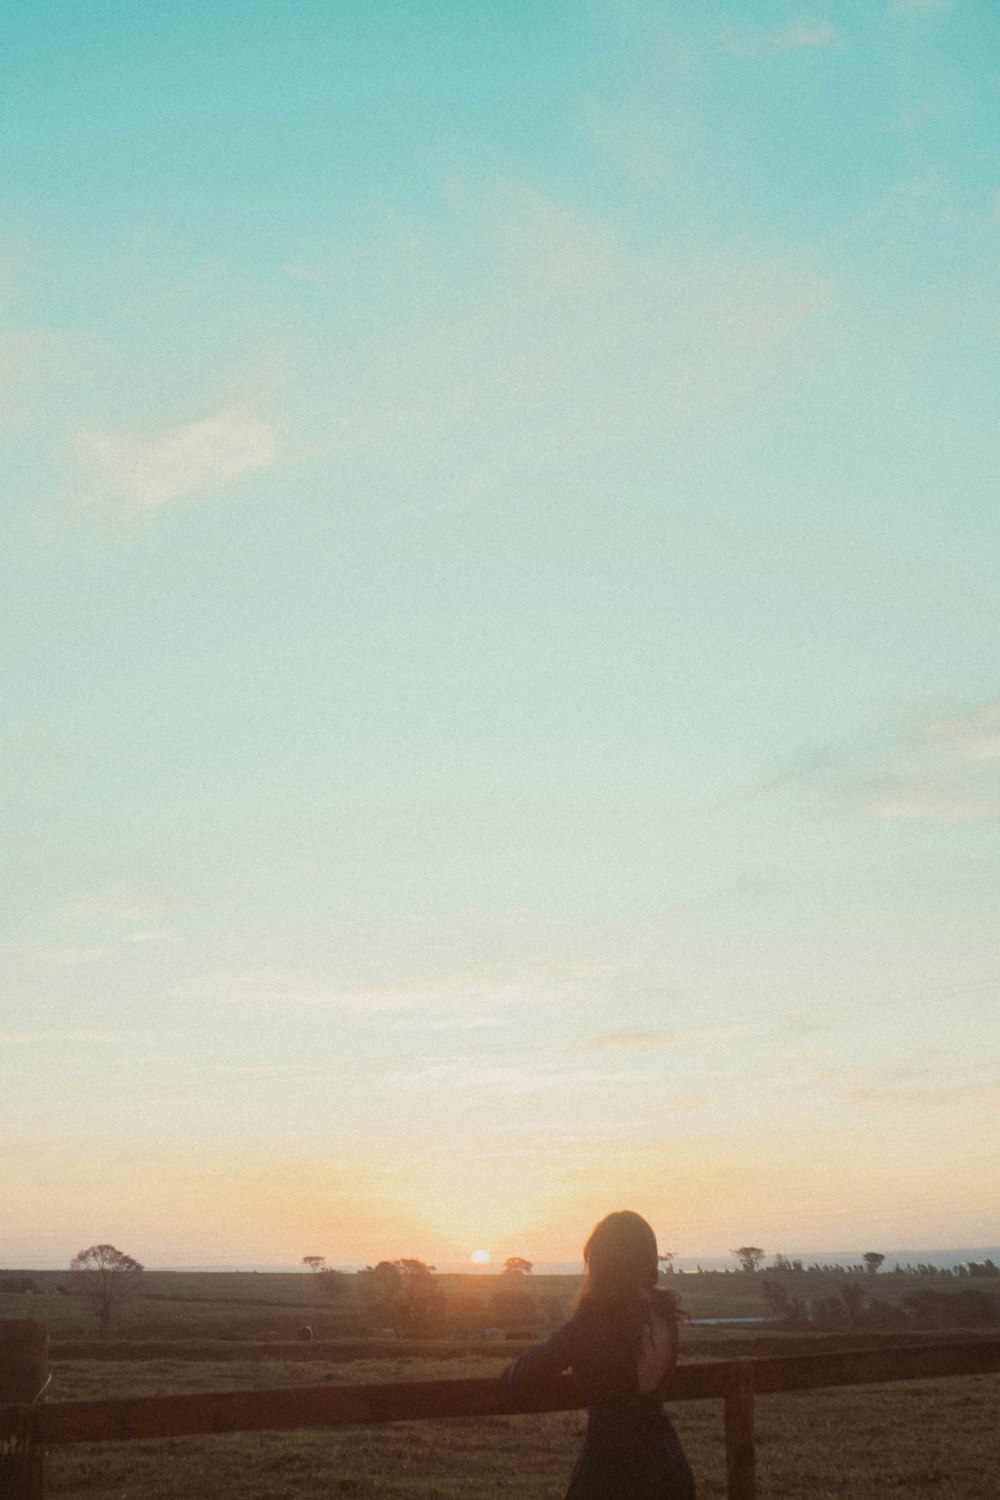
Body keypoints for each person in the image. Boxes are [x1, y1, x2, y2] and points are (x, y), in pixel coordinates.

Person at [500, 1210, 695, 1499]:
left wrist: (509, 1372)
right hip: (667, 1463)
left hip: (610, 1469)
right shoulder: (665, 1313)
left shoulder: (594, 1321)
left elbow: (526, 1371)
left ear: (603, 1263)